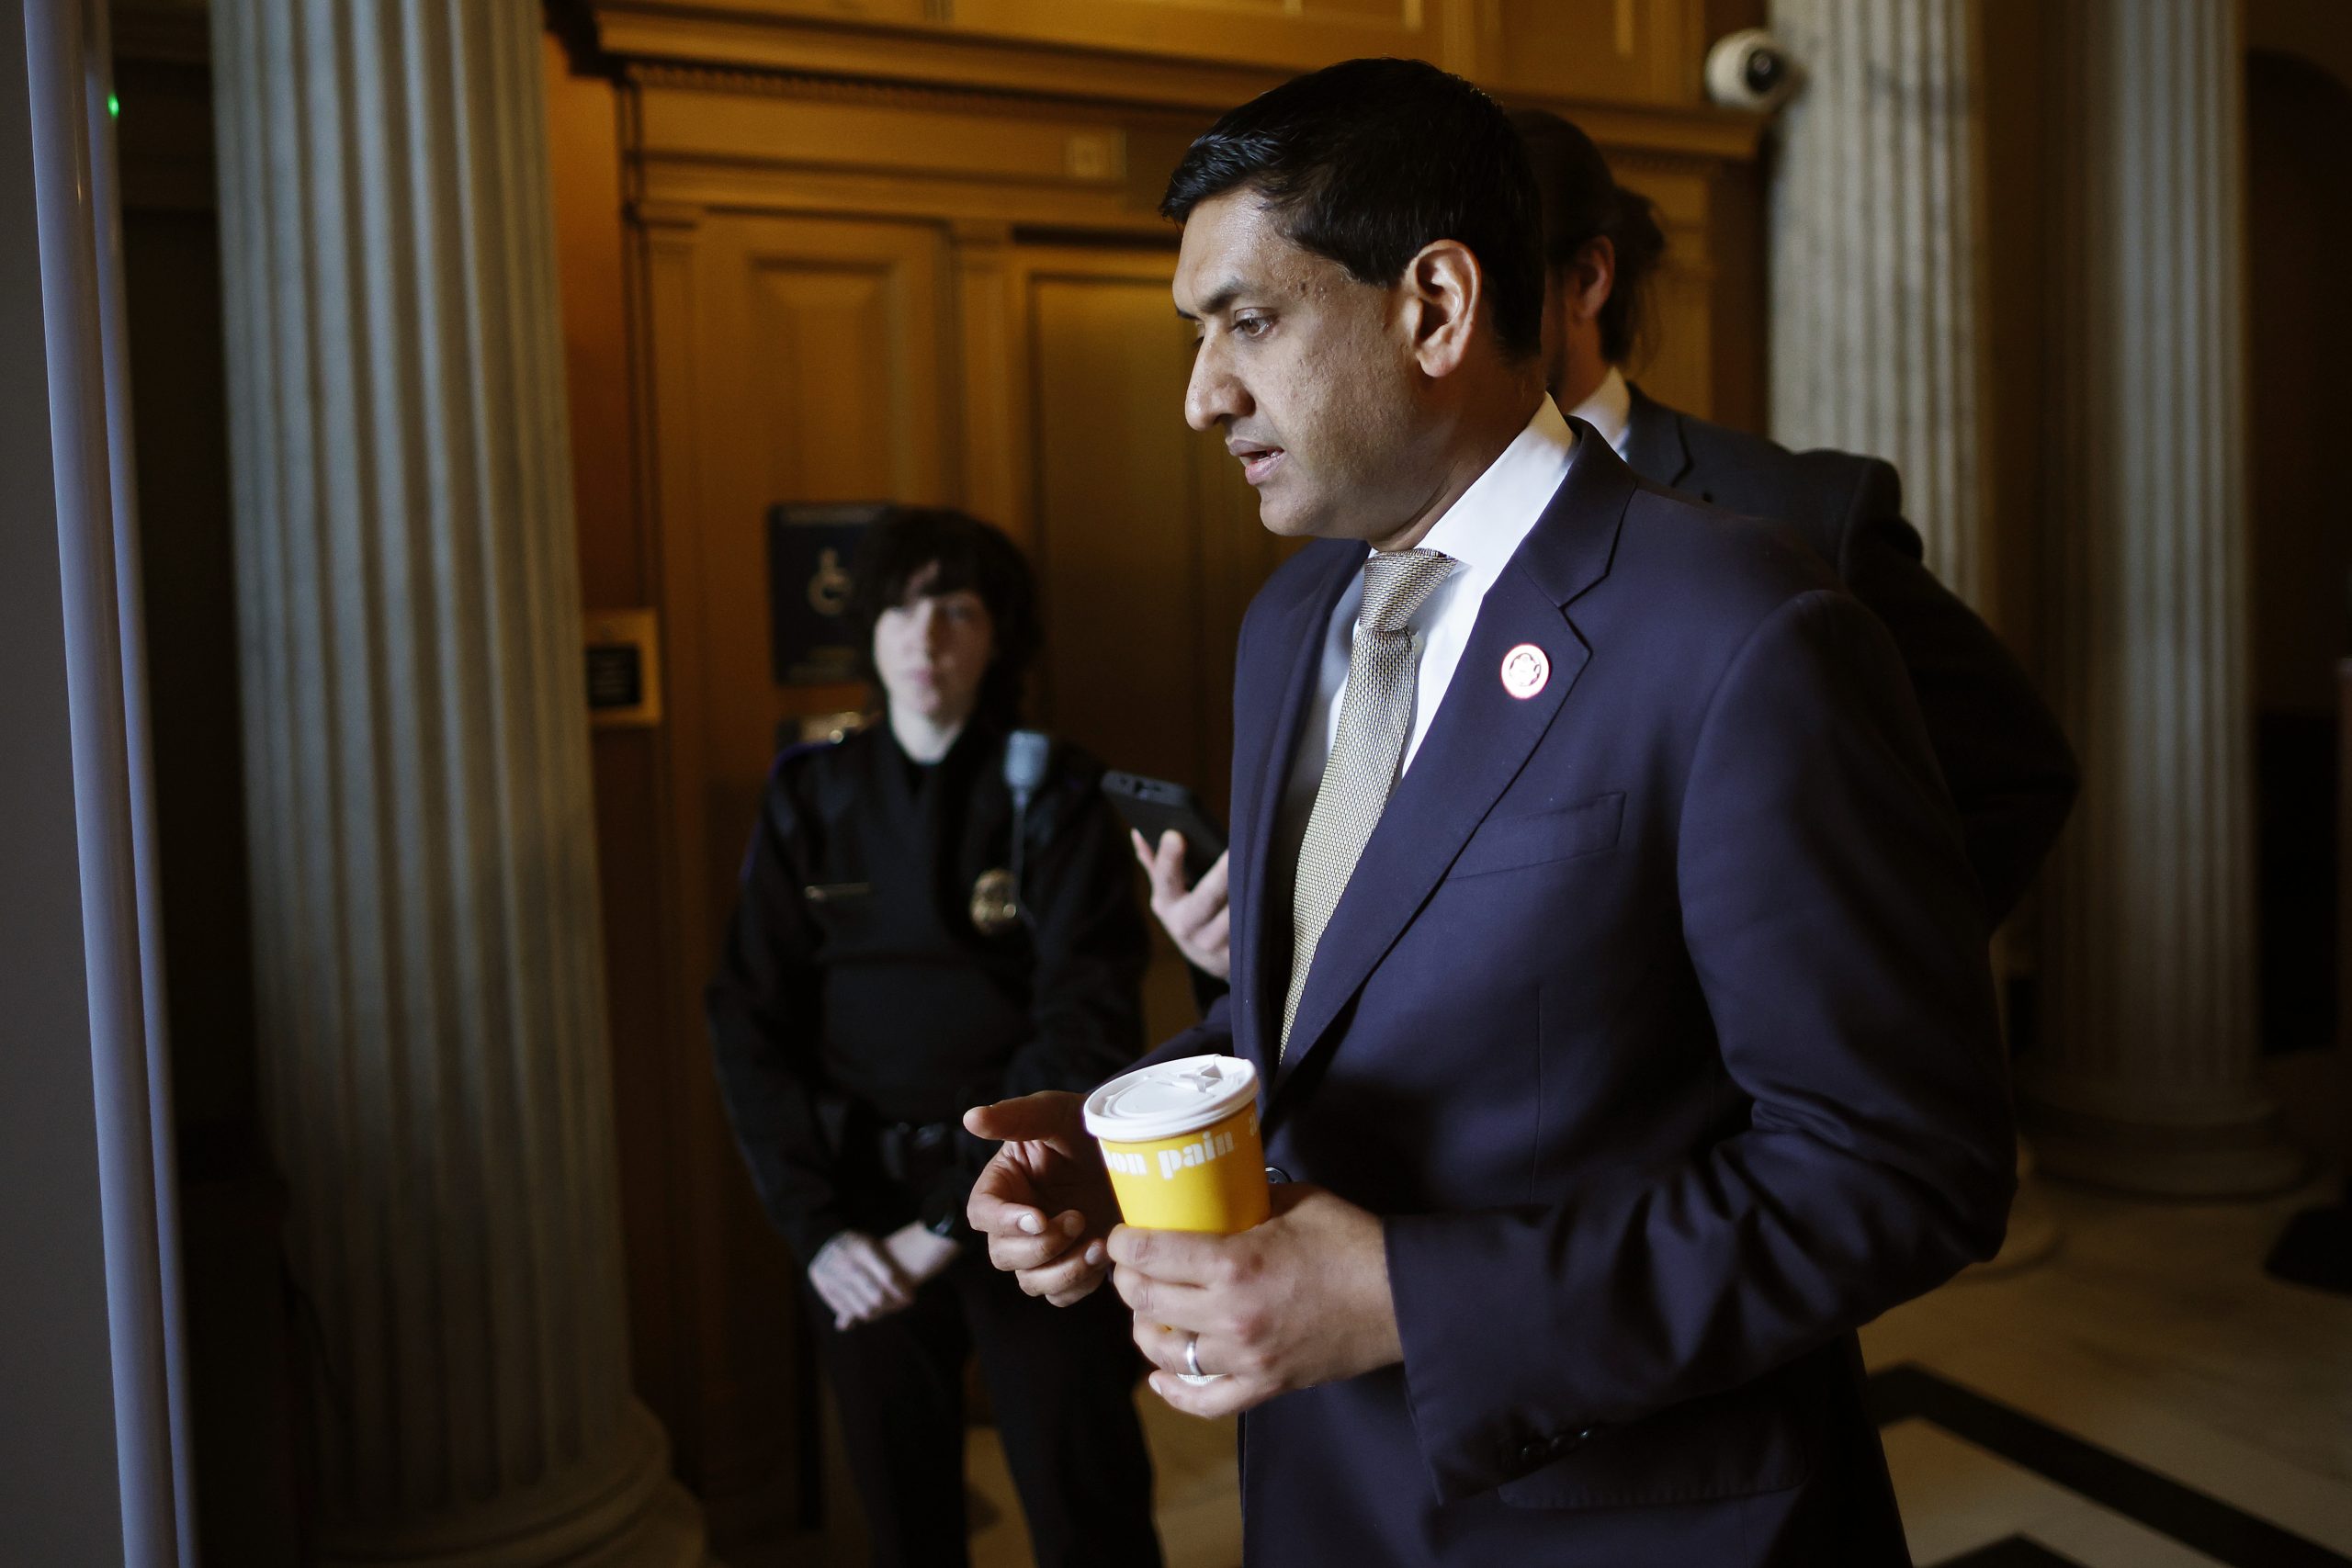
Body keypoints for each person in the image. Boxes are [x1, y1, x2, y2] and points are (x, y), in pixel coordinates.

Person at [966, 58, 2014, 1567]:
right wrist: (1130, 1132)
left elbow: (1902, 1167)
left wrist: (1412, 1299)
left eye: (1247, 322)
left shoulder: (1742, 628)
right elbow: (1333, 1001)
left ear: (1438, 307)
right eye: (1197, 335)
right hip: (1332, 1499)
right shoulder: (1289, 623)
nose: (1202, 395)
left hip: (1639, 1523)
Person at [1139, 107, 2078, 982]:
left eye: (1253, 323)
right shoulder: (1326, 584)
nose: (1207, 397)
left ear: (1573, 281)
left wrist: (1844, 957)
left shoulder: (1790, 531)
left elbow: (2009, 779)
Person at [707, 509, 1162, 1568]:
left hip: (1029, 1199)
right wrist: (818, 1233)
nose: (926, 637)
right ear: (869, 628)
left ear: (998, 637)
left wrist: (950, 1220)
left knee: (1086, 1508)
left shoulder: (1056, 796)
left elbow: (1085, 1022)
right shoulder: (809, 794)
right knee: (905, 1525)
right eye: (903, 608)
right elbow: (747, 1018)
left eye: (957, 609)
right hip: (858, 1223)